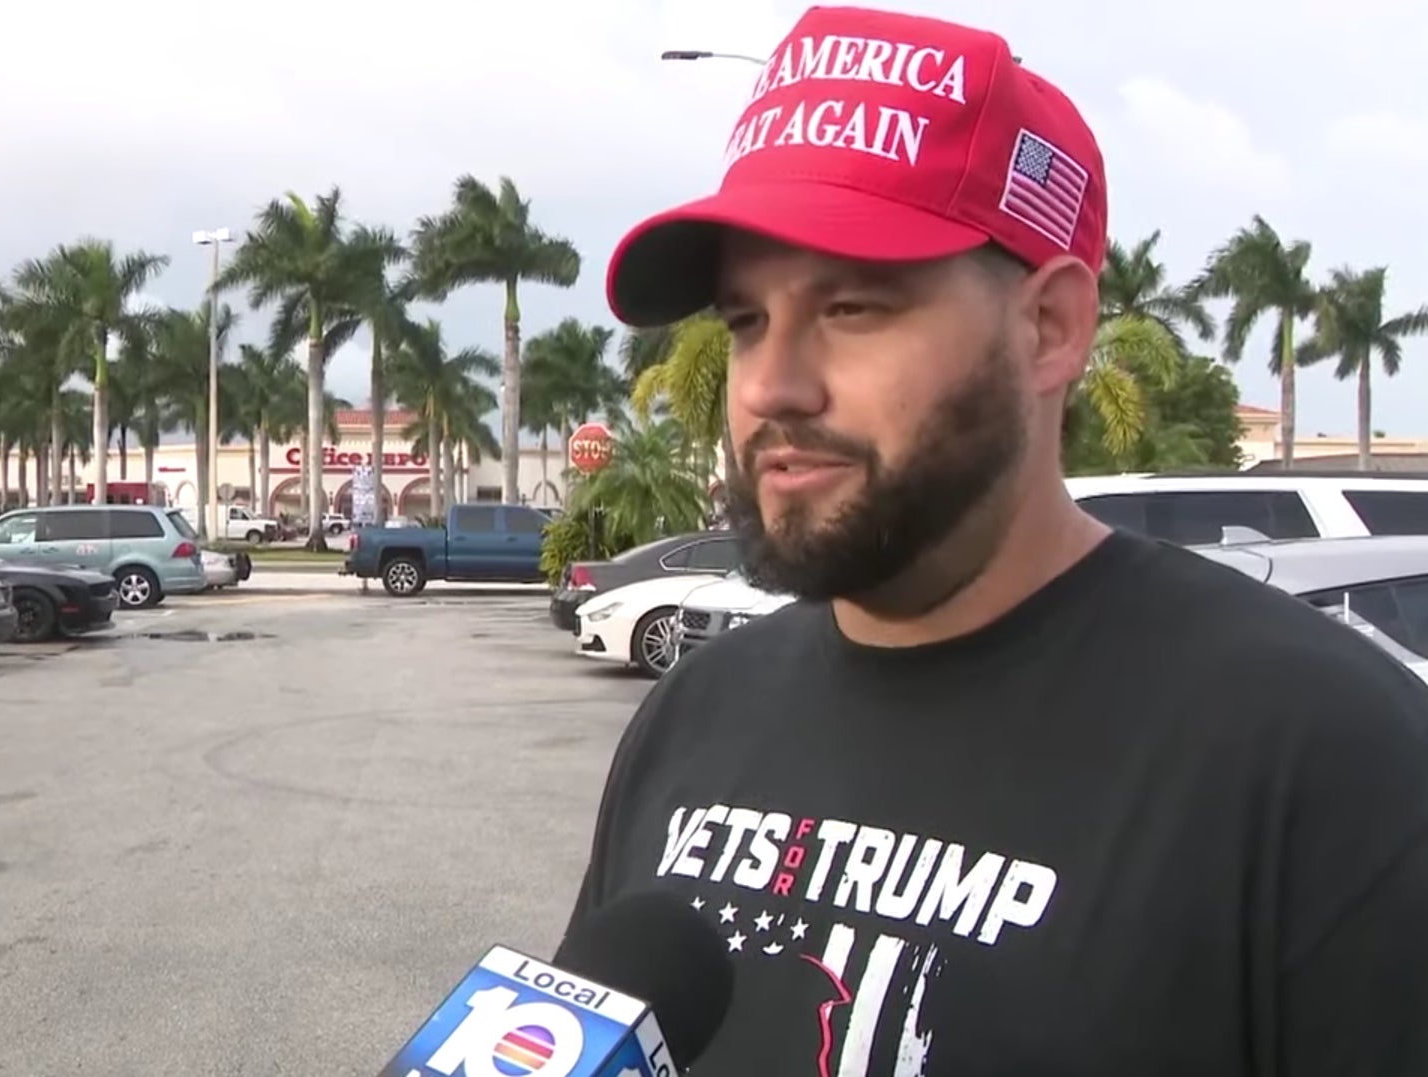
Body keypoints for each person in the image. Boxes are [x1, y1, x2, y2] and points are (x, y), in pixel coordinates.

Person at [563, 6, 1428, 1075]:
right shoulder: (695, 713)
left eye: (853, 309)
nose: (772, 387)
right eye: (746, 322)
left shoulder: (1332, 758)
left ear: (1050, 328)